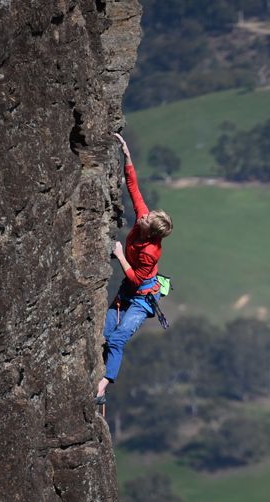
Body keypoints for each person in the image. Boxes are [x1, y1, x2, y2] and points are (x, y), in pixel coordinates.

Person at [95, 134, 173, 405]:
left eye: (147, 219)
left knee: (117, 339)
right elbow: (134, 188)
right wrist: (127, 155)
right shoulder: (144, 220)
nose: (142, 214)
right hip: (128, 291)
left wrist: (119, 255)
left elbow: (137, 278)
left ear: (150, 232)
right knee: (103, 335)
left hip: (142, 299)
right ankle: (99, 373)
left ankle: (104, 384)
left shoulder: (150, 251)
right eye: (147, 214)